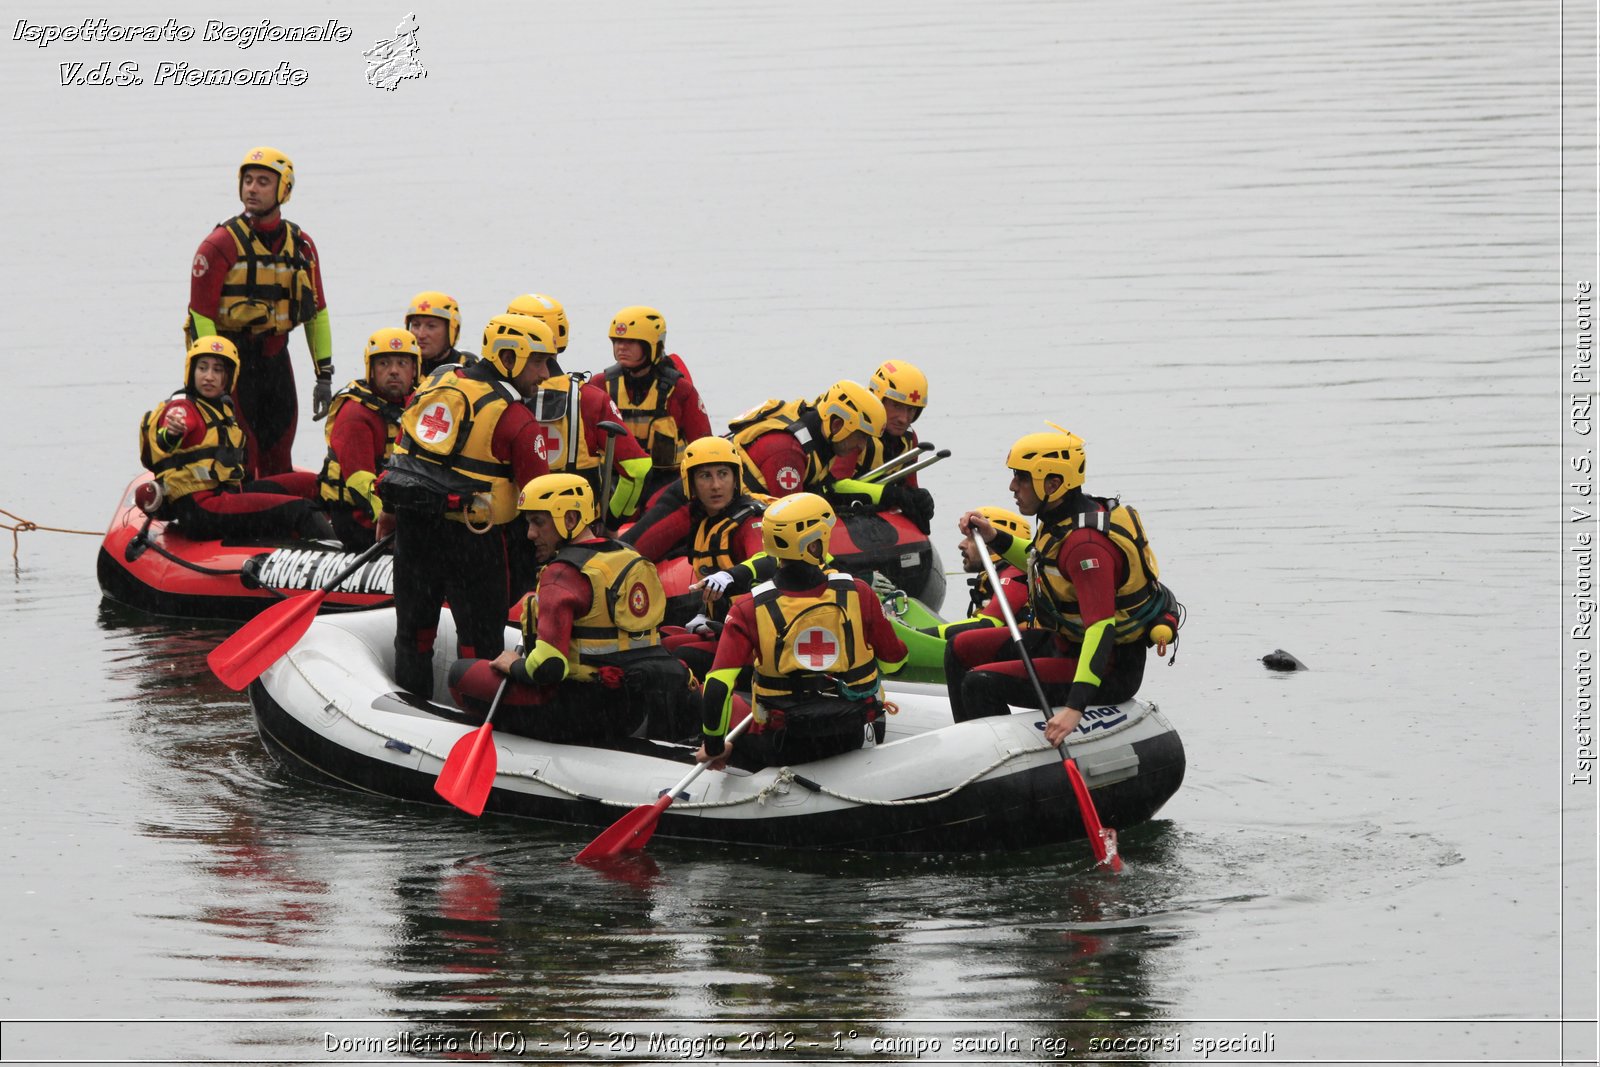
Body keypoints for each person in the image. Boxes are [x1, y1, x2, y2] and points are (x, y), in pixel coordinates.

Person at [945, 431, 1181, 744]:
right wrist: (993, 537)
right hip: (1065, 643)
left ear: (1053, 484)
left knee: (979, 683)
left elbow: (1101, 628)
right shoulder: (1061, 517)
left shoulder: (1086, 546)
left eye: (1022, 478)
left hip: (1107, 669)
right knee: (959, 649)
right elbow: (1037, 558)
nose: (1013, 487)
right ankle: (969, 746)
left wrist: (1074, 707)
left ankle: (1000, 758)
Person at [378, 314, 555, 700]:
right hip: (475, 545)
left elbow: (401, 458)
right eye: (539, 362)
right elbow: (543, 498)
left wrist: (388, 515)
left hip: (414, 531)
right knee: (480, 645)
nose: (545, 374)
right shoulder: (515, 417)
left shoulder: (436, 382)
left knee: (414, 634)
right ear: (510, 357)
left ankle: (412, 707)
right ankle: (475, 718)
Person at [448, 474, 692, 743]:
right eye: (529, 523)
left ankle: (506, 740)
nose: (530, 534)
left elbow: (548, 668)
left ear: (571, 520)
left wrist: (515, 665)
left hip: (575, 713)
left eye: (539, 523)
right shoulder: (628, 556)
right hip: (631, 708)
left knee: (461, 674)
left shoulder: (561, 575)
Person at [695, 493, 907, 773]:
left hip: (782, 744)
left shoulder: (748, 608)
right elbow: (895, 663)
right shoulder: (859, 593)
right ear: (816, 543)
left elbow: (717, 686)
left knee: (708, 705)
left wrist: (714, 747)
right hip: (849, 734)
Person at [187, 146, 332, 478]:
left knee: (278, 449)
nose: (252, 188)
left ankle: (278, 516)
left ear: (284, 190)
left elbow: (317, 313)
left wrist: (323, 376)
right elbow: (201, 316)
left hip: (276, 361)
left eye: (264, 182)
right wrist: (216, 379)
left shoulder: (302, 245)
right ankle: (241, 513)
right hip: (233, 367)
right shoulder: (220, 244)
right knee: (243, 450)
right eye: (248, 180)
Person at [138, 337, 333, 541]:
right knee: (301, 511)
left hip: (228, 493)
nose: (209, 376)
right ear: (191, 371)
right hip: (201, 509)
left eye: (217, 370)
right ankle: (345, 562)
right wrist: (172, 433)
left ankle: (353, 534)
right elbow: (167, 438)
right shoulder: (183, 408)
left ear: (228, 377)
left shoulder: (221, 409)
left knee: (316, 484)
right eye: (202, 368)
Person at [627, 437, 768, 676]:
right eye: (705, 476)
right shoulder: (702, 524)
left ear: (736, 479)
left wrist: (730, 576)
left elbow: (768, 560)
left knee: (676, 658)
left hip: (758, 639)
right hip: (725, 629)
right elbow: (709, 575)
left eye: (723, 474)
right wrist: (703, 612)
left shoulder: (749, 521)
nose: (715, 485)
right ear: (690, 483)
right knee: (659, 644)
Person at [509, 362, 652, 595]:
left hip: (515, 532)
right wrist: (612, 521)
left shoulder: (499, 398)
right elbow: (638, 469)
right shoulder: (589, 398)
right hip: (580, 532)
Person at [598, 305, 713, 507]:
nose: (621, 347)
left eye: (631, 341)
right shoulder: (601, 385)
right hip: (616, 481)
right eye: (617, 341)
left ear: (653, 345)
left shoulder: (679, 392)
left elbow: (704, 446)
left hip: (664, 483)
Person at [317, 328, 419, 551]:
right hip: (359, 517)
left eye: (402, 363)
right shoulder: (356, 414)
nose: (394, 371)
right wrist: (392, 519)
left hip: (401, 509)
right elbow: (360, 482)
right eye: (384, 364)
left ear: (414, 370)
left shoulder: (418, 405)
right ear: (370, 369)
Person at [916, 506, 1030, 641]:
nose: (961, 545)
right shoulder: (993, 577)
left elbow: (989, 624)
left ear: (992, 547)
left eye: (971, 538)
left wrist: (917, 635)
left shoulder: (1015, 573)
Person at [863, 359, 931, 487]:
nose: (903, 419)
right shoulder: (854, 432)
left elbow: (910, 486)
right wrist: (885, 495)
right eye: (896, 406)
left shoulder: (909, 439)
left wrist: (917, 499)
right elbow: (834, 487)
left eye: (911, 409)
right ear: (878, 400)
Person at [405, 291, 474, 376]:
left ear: (452, 330)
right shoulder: (399, 373)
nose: (421, 335)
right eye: (416, 325)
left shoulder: (470, 372)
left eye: (431, 326)